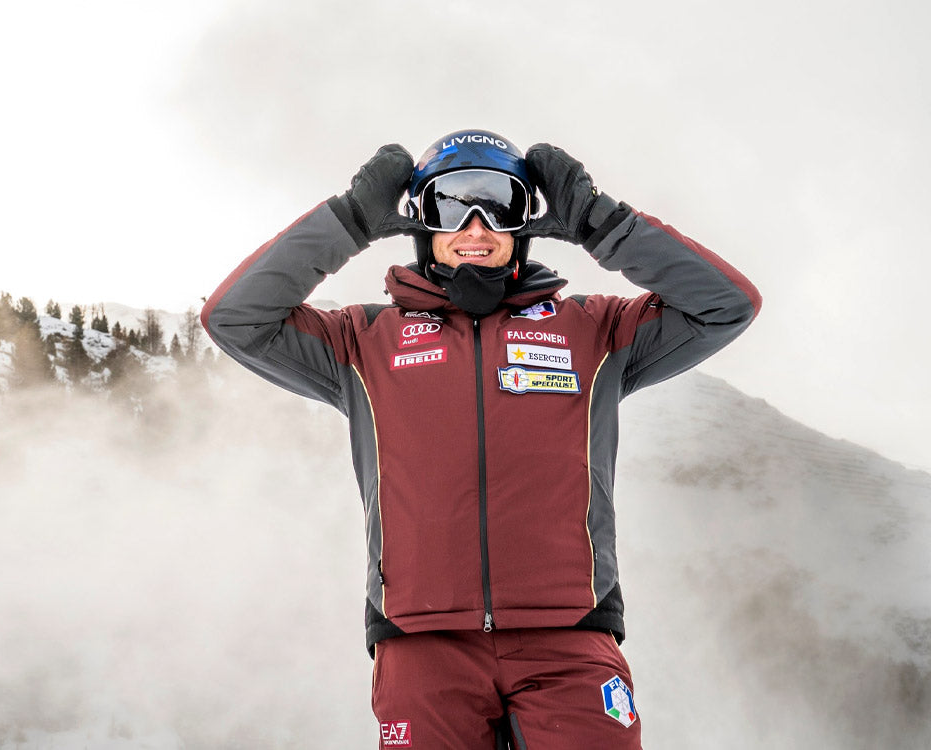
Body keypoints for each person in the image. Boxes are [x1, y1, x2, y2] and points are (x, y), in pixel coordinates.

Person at [201, 129, 762, 750]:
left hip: (569, 639)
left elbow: (725, 305)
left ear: (525, 222)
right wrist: (352, 219)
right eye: (448, 204)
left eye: (499, 205)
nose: (475, 227)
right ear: (419, 222)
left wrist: (598, 222)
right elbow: (235, 318)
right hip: (422, 645)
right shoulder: (360, 342)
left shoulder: (595, 330)